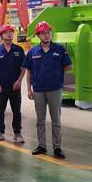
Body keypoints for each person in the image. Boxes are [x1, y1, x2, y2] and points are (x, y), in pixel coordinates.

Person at [21, 21, 72, 159]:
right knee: (40, 120)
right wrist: (29, 89)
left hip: (54, 89)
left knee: (56, 120)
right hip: (38, 90)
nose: (46, 35)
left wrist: (56, 74)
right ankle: (42, 145)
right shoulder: (33, 52)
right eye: (43, 33)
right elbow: (28, 71)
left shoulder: (59, 49)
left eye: (48, 32)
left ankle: (57, 147)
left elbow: (68, 66)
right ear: (38, 35)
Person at [0, 25, 26, 143]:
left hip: (15, 87)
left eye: (11, 32)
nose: (9, 34)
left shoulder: (19, 50)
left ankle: (17, 133)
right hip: (1, 87)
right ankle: (0, 133)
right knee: (0, 111)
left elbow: (24, 67)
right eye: (6, 32)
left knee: (17, 111)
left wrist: (19, 81)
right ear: (2, 35)